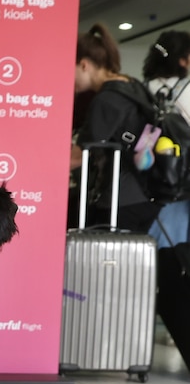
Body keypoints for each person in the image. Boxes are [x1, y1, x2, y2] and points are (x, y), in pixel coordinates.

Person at [71, 23, 160, 232]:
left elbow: (80, 155)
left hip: (121, 200)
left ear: (84, 65)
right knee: (130, 262)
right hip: (147, 193)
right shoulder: (132, 85)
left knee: (107, 263)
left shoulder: (107, 99)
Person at [139, 30, 190, 371]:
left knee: (157, 266)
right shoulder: (187, 91)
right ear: (184, 60)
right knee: (179, 263)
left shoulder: (142, 92)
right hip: (183, 193)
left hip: (149, 192)